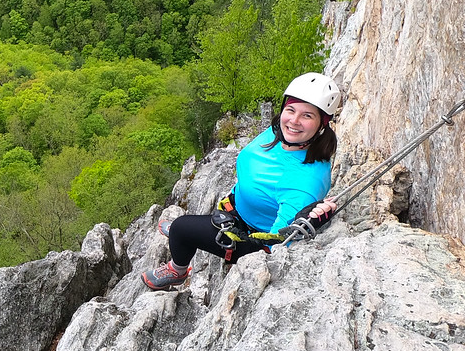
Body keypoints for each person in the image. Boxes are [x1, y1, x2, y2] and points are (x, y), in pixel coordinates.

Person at [141, 72, 342, 290]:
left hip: (250, 237)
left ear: (322, 124)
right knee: (188, 227)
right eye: (290, 110)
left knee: (181, 228)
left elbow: (276, 245)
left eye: (307, 116)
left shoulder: (303, 184)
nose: (293, 121)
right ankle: (196, 231)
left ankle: (177, 270)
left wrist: (244, 244)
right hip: (237, 210)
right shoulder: (278, 133)